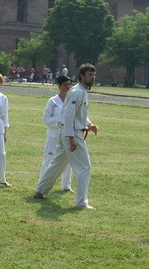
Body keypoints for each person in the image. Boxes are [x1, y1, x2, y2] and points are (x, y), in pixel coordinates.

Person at [33, 63, 98, 209]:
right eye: (89, 74)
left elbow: (78, 115)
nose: (92, 77)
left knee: (57, 164)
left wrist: (89, 125)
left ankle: (40, 191)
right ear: (81, 76)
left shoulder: (80, 91)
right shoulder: (77, 92)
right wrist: (71, 138)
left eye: (94, 75)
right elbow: (68, 116)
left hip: (70, 131)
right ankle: (81, 202)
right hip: (72, 133)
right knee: (84, 167)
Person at [38, 75, 73, 193]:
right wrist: (60, 120)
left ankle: (66, 186)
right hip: (53, 135)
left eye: (69, 84)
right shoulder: (52, 101)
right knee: (49, 159)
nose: (67, 87)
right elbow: (46, 119)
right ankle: (41, 185)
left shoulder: (72, 101)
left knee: (67, 160)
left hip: (67, 135)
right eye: (65, 84)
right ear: (59, 86)